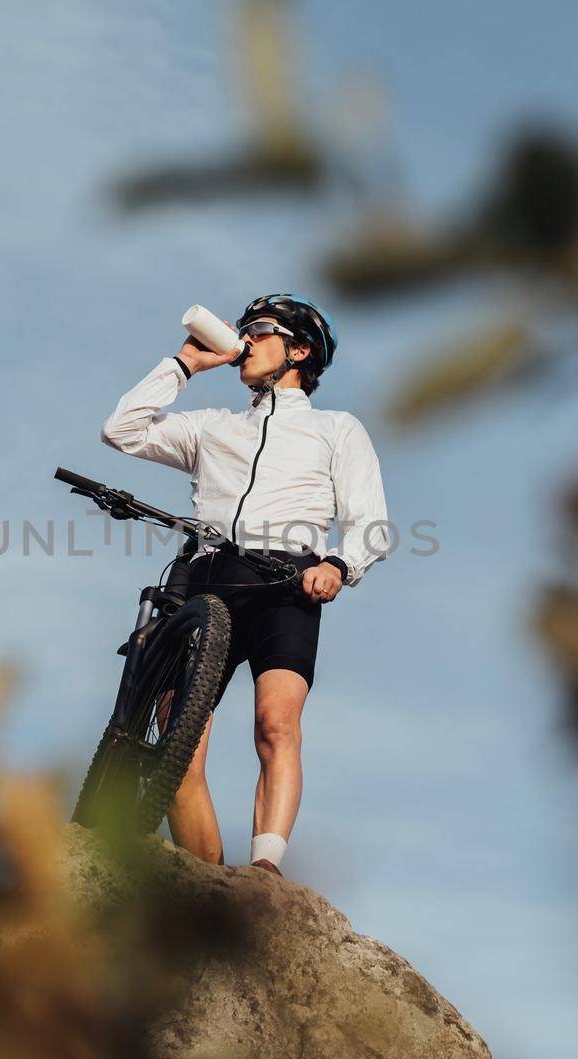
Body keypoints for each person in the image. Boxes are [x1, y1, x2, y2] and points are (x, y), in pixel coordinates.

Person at [99, 293, 390, 877]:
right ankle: (208, 887)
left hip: (289, 582)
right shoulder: (213, 428)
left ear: (299, 351)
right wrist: (184, 364)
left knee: (275, 725)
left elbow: (371, 524)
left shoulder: (335, 429)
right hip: (208, 577)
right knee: (176, 751)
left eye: (259, 330)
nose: (244, 340)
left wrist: (338, 566)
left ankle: (264, 872)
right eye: (244, 331)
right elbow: (121, 431)